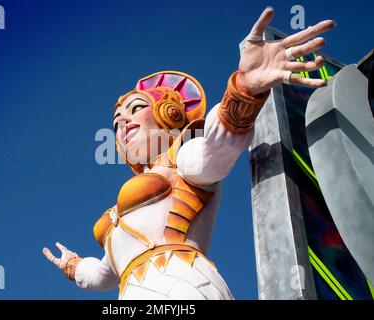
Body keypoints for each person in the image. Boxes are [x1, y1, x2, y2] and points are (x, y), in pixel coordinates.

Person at [43, 7, 336, 299]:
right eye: (117, 120)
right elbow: (105, 274)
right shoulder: (121, 218)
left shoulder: (182, 156)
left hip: (185, 284)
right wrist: (73, 266)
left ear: (167, 114)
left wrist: (245, 90)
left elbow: (215, 151)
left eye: (135, 109)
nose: (123, 122)